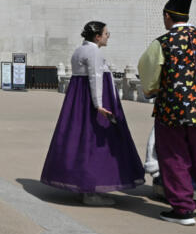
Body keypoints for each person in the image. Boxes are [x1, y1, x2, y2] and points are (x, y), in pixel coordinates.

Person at [137, 0, 196, 225]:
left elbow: (148, 70)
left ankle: (183, 209)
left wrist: (152, 89)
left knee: (174, 156)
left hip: (172, 108)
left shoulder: (163, 42)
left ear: (167, 16)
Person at [41, 21, 144, 206]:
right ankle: (92, 190)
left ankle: (82, 187)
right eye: (106, 34)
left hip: (78, 101)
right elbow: (96, 77)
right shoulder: (94, 51)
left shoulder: (79, 50)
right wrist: (99, 104)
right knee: (95, 144)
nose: (108, 36)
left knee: (79, 141)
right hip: (93, 101)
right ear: (97, 37)